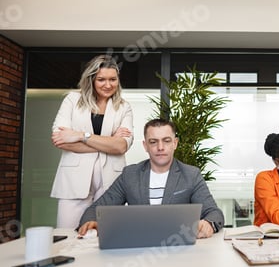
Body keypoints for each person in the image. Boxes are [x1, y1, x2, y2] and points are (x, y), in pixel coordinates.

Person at [78, 119, 224, 239]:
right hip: (138, 249)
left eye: (166, 141)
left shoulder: (191, 175)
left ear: (175, 143)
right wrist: (92, 222)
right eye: (153, 142)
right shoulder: (130, 175)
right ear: (145, 145)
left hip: (178, 249)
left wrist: (208, 224)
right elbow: (94, 210)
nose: (160, 147)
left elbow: (214, 213)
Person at [51, 55, 134, 229]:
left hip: (111, 180)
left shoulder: (123, 106)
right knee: (68, 235)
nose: (108, 85)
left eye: (113, 79)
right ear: (91, 80)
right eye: (101, 79)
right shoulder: (72, 100)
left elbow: (121, 146)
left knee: (106, 234)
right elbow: (61, 140)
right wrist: (108, 142)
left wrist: (81, 135)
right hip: (73, 181)